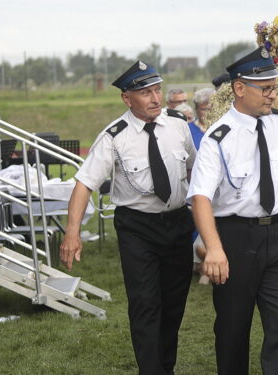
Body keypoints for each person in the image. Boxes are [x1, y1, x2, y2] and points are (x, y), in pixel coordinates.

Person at [60, 61, 196, 375]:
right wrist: (72, 232)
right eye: (145, 92)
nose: (155, 98)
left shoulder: (177, 124)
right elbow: (84, 184)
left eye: (157, 89)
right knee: (146, 304)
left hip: (177, 223)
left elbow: (196, 168)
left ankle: (166, 367)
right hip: (138, 228)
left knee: (174, 304)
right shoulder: (114, 136)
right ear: (127, 98)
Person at [187, 46, 278, 375]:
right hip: (235, 239)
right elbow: (200, 197)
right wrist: (213, 249)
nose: (273, 95)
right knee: (232, 329)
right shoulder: (218, 138)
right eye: (266, 88)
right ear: (240, 88)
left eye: (275, 87)